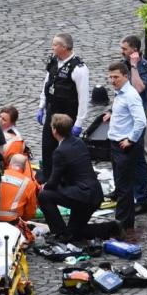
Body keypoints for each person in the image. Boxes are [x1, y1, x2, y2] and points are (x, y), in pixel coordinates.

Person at [37, 114, 121, 241]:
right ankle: (111, 228)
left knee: (44, 195)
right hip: (93, 193)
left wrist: (43, 186)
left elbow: (53, 182)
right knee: (75, 233)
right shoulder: (79, 142)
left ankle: (61, 233)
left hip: (81, 196)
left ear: (54, 130)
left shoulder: (60, 152)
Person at [35, 33, 89, 183]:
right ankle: (48, 177)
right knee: (47, 145)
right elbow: (47, 84)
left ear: (64, 47)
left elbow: (83, 98)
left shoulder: (78, 69)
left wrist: (78, 123)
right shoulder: (53, 62)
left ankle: (66, 179)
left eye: (55, 45)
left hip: (68, 113)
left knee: (65, 149)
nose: (52, 48)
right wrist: (42, 105)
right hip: (53, 110)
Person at [104, 61, 147, 231]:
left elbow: (141, 121)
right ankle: (124, 220)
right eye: (111, 77)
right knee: (121, 184)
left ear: (125, 76)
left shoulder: (130, 95)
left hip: (124, 146)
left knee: (124, 186)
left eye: (116, 77)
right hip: (116, 143)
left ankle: (122, 222)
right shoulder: (120, 93)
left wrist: (131, 140)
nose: (113, 80)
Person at [121, 34, 147, 214]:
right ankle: (124, 191)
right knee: (122, 156)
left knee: (138, 159)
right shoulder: (123, 64)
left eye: (125, 49)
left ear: (134, 50)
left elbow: (138, 88)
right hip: (123, 117)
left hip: (136, 119)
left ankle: (142, 198)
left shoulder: (144, 67)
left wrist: (133, 67)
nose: (122, 52)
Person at [0, 154, 38, 223]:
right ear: (25, 167)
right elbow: (30, 213)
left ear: (9, 163)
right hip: (11, 221)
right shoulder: (29, 183)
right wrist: (24, 218)